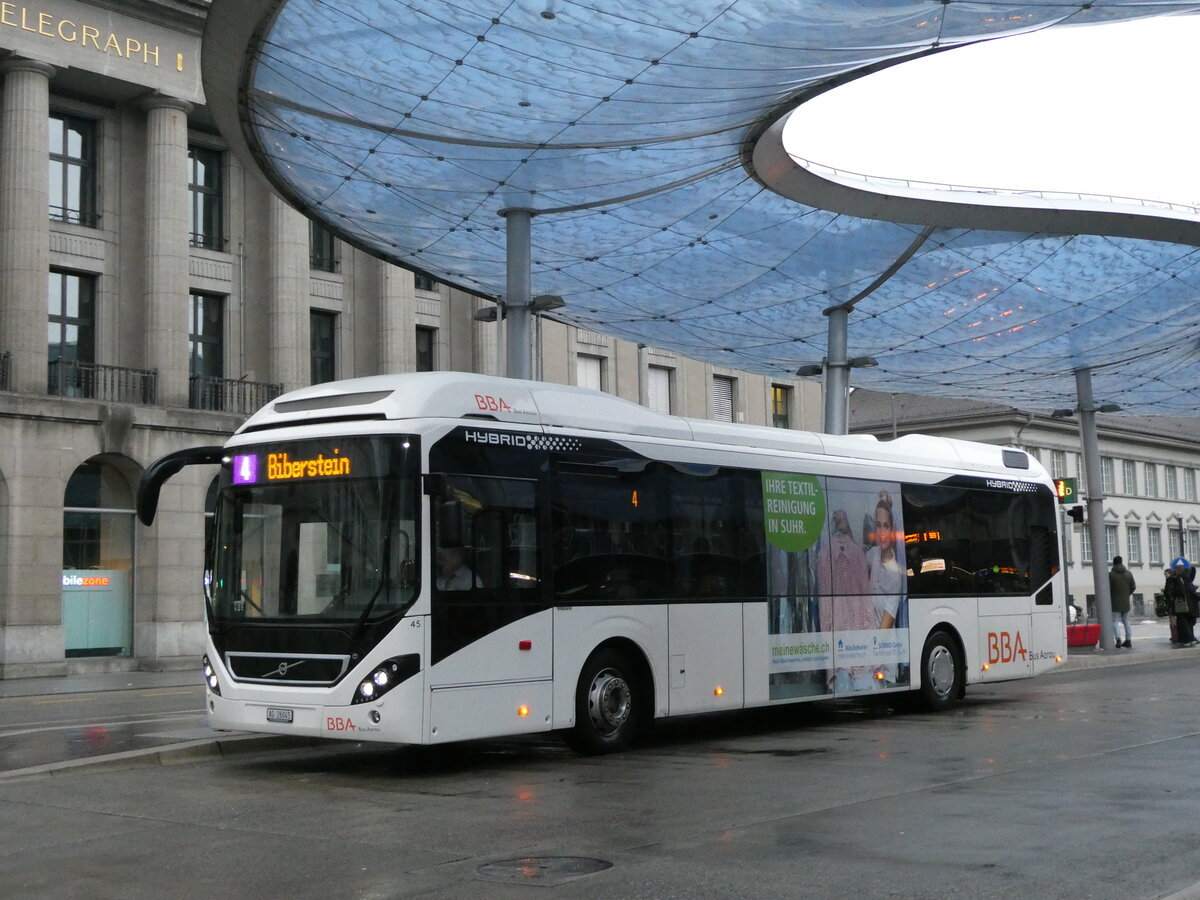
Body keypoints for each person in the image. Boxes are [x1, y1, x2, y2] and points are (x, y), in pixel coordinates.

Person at [866, 491, 904, 683]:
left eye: (886, 526)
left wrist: (861, 652)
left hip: (885, 665)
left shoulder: (895, 575)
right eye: (878, 525)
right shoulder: (872, 555)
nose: (882, 532)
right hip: (870, 661)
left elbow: (885, 628)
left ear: (893, 530)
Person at [1164, 563, 1197, 647]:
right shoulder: (1187, 578)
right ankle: (1189, 639)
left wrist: (1172, 589)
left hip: (1181, 604)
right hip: (1189, 604)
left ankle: (1188, 639)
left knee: (1182, 622)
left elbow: (1179, 591)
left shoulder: (1178, 579)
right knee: (1187, 622)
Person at [1108, 556, 1136, 648]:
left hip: (1114, 601)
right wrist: (1127, 594)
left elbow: (1108, 588)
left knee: (1115, 621)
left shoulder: (1111, 574)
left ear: (1114, 563)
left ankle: (1118, 639)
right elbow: (1133, 587)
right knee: (1126, 621)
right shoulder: (1129, 573)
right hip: (1125, 601)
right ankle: (1128, 640)